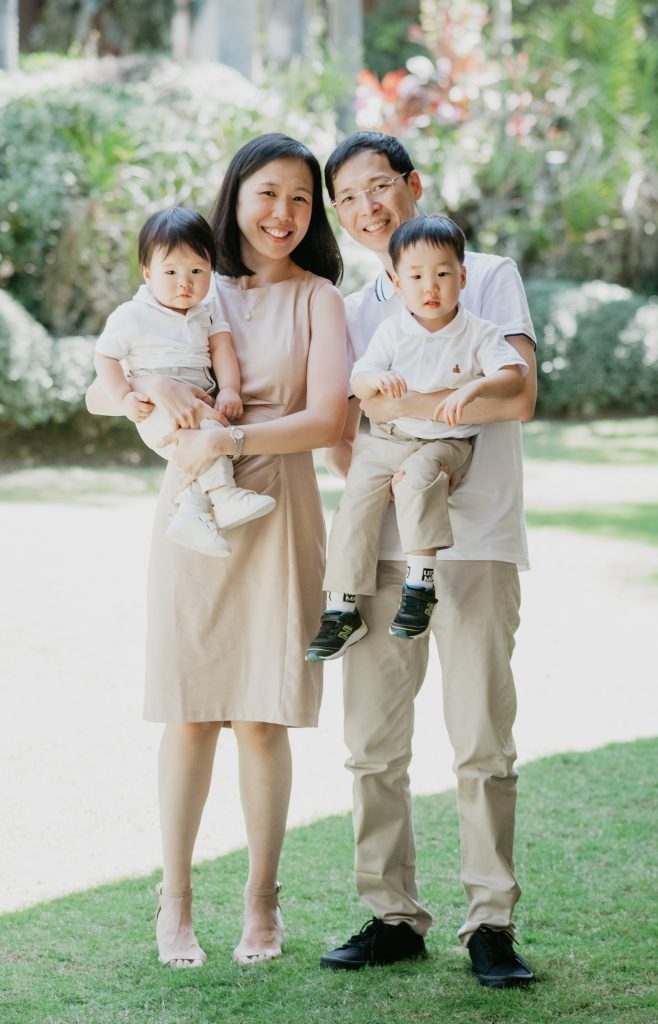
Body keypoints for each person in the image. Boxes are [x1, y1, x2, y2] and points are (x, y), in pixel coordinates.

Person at [86, 133, 347, 967]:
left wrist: (227, 431)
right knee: (190, 713)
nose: (284, 213)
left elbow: (328, 421)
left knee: (262, 717)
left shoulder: (319, 299)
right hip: (193, 511)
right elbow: (104, 381)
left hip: (276, 505)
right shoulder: (192, 280)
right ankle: (177, 903)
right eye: (268, 193)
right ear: (235, 197)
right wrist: (146, 392)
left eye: (302, 198)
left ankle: (262, 903)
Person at [318, 132, 537, 988]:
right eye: (349, 198)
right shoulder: (351, 306)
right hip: (379, 550)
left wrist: (398, 414)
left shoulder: (487, 275)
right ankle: (392, 913)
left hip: (477, 540)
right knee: (372, 744)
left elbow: (519, 394)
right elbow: (343, 431)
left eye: (380, 187)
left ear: (412, 185)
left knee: (482, 740)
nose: (368, 207)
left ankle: (491, 922)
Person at [306, 214, 527, 660]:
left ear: (462, 277)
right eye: (417, 277)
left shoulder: (478, 332)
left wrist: (474, 386)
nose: (431, 287)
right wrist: (378, 383)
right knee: (356, 497)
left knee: (418, 475)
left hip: (446, 441)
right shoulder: (392, 331)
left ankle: (420, 583)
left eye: (443, 274)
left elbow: (513, 374)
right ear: (397, 282)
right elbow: (361, 379)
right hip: (389, 439)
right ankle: (341, 607)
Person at [94, 206, 275, 558]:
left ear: (211, 269)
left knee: (203, 441)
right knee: (209, 435)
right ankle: (224, 497)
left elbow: (222, 348)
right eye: (171, 271)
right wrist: (123, 397)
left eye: (196, 270)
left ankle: (190, 514)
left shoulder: (206, 311)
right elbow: (105, 356)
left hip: (199, 399)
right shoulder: (133, 315)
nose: (185, 282)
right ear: (147, 273)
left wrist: (229, 389)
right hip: (154, 409)